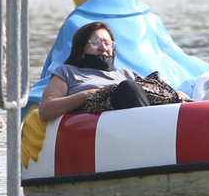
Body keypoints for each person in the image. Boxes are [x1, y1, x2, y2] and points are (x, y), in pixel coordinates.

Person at [37, 21, 172, 121]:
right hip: (97, 126)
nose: (103, 48)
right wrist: (86, 95)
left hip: (138, 118)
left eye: (108, 44)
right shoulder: (67, 72)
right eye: (96, 43)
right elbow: (45, 110)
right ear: (81, 48)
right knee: (128, 87)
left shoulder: (127, 74)